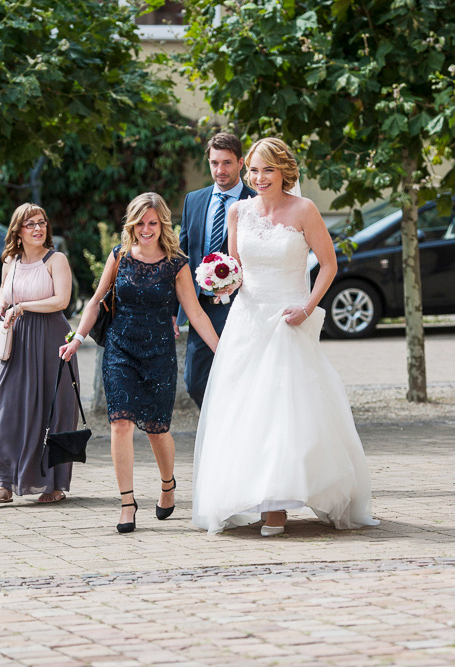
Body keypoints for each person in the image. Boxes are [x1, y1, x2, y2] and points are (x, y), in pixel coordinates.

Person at [191, 138, 379, 536]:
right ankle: (249, 495)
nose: (258, 178)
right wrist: (221, 282)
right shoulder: (237, 211)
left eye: (267, 170)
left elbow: (327, 265)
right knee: (244, 409)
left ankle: (277, 506)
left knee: (285, 409)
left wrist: (308, 307)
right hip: (247, 319)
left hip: (289, 317)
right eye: (254, 171)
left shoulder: (305, 210)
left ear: (284, 172)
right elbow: (236, 267)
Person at [60, 193, 220, 533]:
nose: (146, 229)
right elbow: (95, 300)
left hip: (159, 354)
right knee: (120, 423)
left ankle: (167, 485)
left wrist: (221, 350)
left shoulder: (176, 263)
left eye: (153, 223)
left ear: (162, 224)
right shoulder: (118, 256)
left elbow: (195, 313)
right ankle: (127, 503)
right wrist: (76, 339)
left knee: (158, 430)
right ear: (131, 224)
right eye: (140, 223)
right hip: (120, 350)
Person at [0, 203, 78, 506]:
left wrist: (24, 307)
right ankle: (4, 483)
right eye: (30, 224)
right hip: (18, 341)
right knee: (6, 410)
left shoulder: (56, 259)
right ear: (18, 232)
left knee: (55, 411)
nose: (38, 229)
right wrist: (0, 309)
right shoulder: (10, 261)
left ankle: (56, 484)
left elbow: (61, 301)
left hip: (52, 340)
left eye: (42, 222)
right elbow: (4, 297)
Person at [177, 132, 256, 408]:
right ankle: (219, 429)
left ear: (241, 163)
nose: (220, 170)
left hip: (241, 306)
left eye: (227, 163)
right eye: (214, 163)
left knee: (243, 377)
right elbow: (181, 257)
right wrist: (174, 313)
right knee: (195, 383)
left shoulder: (256, 201)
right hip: (201, 309)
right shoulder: (194, 200)